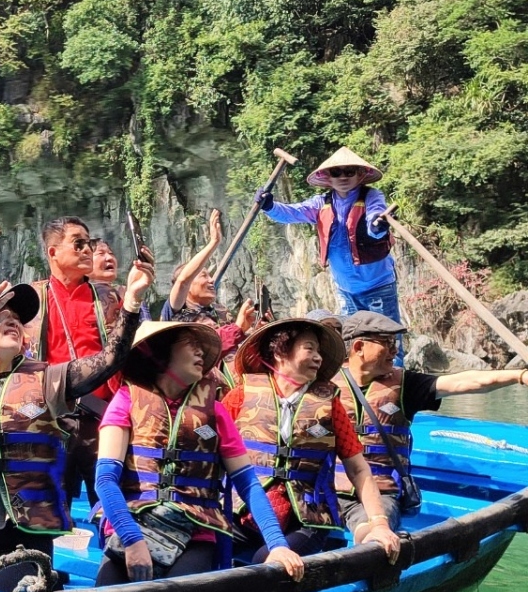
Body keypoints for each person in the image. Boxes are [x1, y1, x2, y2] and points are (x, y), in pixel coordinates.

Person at [0, 255, 154, 592]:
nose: (13, 323)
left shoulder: (48, 379)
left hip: (21, 539)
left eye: (17, 320)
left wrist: (132, 302)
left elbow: (108, 361)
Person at [93, 322, 305, 585]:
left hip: (196, 531)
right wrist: (131, 540)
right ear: (160, 354)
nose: (201, 353)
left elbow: (247, 483)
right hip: (132, 526)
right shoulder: (126, 400)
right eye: (190, 345)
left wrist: (277, 544)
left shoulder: (215, 413)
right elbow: (105, 480)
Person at [334, 310, 528, 536]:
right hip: (328, 490)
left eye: (395, 342)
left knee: (374, 535)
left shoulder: (407, 386)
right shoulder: (325, 386)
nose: (394, 350)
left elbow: (465, 382)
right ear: (358, 348)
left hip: (380, 492)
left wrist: (520, 376)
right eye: (386, 343)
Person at [223, 318, 402, 563]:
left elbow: (359, 469)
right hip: (243, 512)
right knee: (206, 555)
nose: (318, 357)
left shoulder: (329, 404)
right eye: (309, 348)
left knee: (266, 564)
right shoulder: (241, 396)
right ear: (279, 352)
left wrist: (379, 523)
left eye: (319, 351)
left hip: (307, 518)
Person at [256, 147, 402, 358]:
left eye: (349, 171)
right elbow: (292, 212)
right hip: (345, 288)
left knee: (387, 338)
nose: (343, 177)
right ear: (327, 177)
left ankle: (397, 382)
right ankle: (362, 383)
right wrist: (269, 205)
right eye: (336, 172)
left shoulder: (371, 196)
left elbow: (375, 218)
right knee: (354, 340)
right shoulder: (321, 203)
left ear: (360, 175)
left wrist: (377, 227)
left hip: (378, 285)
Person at [21, 216, 123, 507]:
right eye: (78, 243)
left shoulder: (107, 296)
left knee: (112, 508)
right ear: (53, 252)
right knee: (47, 510)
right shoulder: (33, 297)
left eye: (89, 244)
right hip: (50, 418)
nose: (87, 250)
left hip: (102, 418)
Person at [163, 209, 228, 324]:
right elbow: (183, 281)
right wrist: (214, 242)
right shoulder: (176, 312)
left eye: (209, 276)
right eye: (204, 276)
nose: (211, 280)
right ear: (188, 287)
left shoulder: (218, 313)